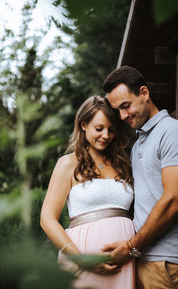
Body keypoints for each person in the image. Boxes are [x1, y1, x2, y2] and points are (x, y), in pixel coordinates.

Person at [102, 65, 178, 289]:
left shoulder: (174, 131)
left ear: (144, 93)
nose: (122, 116)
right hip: (145, 260)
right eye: (117, 110)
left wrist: (130, 246)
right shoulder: (138, 145)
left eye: (125, 106)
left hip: (171, 264)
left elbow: (174, 201)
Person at [40, 95, 135, 289]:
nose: (106, 136)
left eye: (111, 130)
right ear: (83, 125)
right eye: (99, 129)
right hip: (81, 260)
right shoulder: (67, 164)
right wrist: (82, 259)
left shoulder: (123, 165)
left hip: (124, 261)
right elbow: (47, 219)